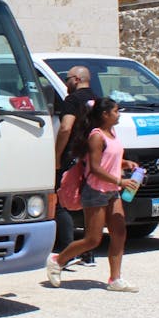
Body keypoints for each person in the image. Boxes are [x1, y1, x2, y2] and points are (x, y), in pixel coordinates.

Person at [45, 97, 141, 292]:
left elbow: (110, 161)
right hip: (96, 191)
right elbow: (95, 168)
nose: (119, 114)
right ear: (105, 114)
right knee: (93, 239)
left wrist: (126, 164)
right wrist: (120, 181)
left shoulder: (112, 133)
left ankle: (115, 279)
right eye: (115, 111)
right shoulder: (96, 136)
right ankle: (57, 260)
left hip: (112, 191)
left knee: (119, 233)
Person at [54, 65, 96, 267]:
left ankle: (68, 252)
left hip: (72, 156)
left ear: (77, 79)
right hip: (93, 157)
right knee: (89, 203)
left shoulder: (72, 100)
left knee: (60, 201)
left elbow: (65, 128)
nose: (66, 83)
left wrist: (56, 155)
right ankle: (88, 254)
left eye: (67, 78)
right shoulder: (97, 100)